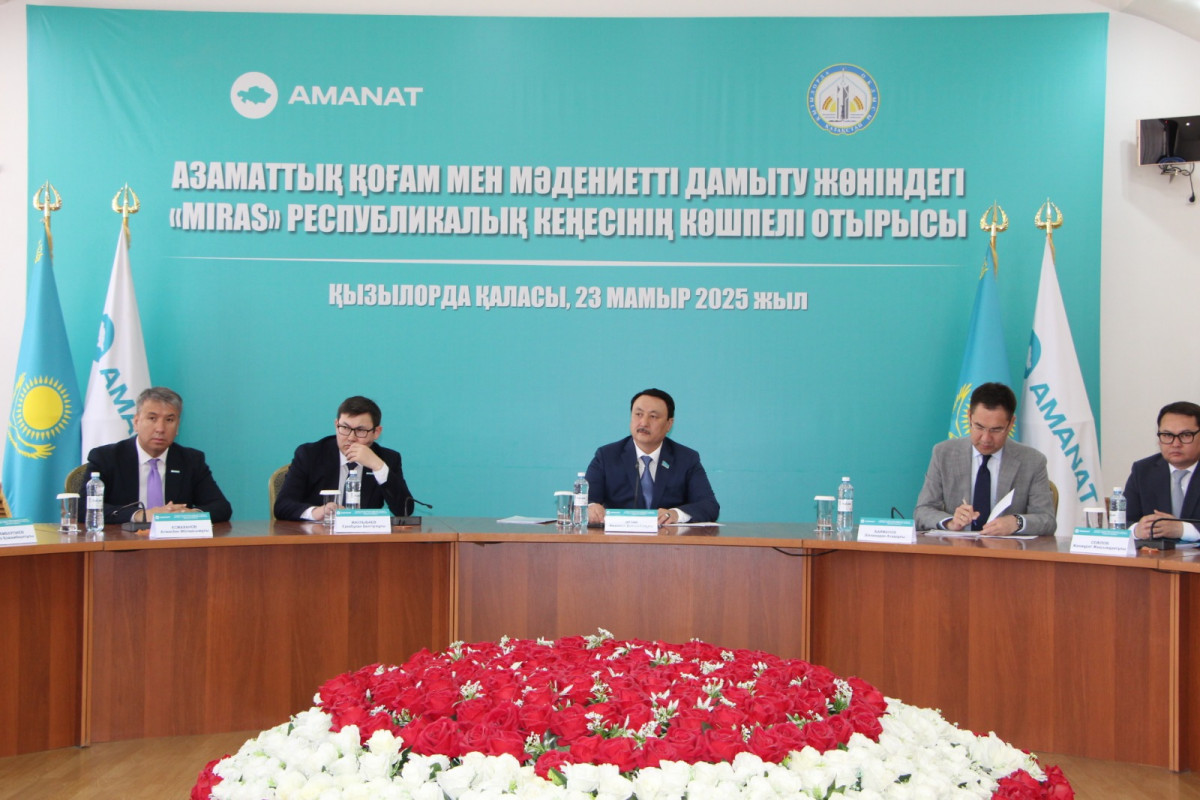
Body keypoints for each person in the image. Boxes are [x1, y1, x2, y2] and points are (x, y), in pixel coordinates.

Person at [914, 382, 1056, 536]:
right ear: (969, 417)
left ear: (1011, 424)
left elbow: (1047, 520)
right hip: (957, 547)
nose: (986, 438)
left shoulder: (1033, 461)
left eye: (996, 430)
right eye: (979, 427)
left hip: (1006, 549)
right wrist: (950, 522)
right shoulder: (944, 454)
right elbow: (922, 511)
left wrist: (1017, 522)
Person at [83, 386, 232, 524]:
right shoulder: (107, 457)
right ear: (136, 422)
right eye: (152, 418)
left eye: (169, 420)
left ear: (177, 426)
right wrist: (140, 515)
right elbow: (83, 507)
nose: (160, 428)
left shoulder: (191, 460)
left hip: (174, 542)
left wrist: (189, 514)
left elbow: (221, 507)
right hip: (122, 541)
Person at [585, 388, 719, 526]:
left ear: (669, 424)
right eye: (638, 414)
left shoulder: (686, 459)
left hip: (668, 538)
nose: (643, 422)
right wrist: (591, 507)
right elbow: (585, 501)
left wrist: (675, 514)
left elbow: (709, 506)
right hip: (619, 537)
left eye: (653, 416)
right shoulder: (607, 456)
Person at [274, 395, 414, 522]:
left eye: (360, 430)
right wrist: (317, 512)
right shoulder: (310, 455)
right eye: (345, 428)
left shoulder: (387, 459)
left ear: (376, 432)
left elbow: (405, 511)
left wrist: (378, 467)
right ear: (336, 425)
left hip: (364, 538)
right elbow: (282, 506)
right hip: (317, 537)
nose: (351, 438)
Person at [1124, 401, 1200, 541]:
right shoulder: (1143, 470)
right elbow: (1123, 522)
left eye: (1185, 435)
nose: (1175, 444)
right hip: (1156, 554)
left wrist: (1183, 529)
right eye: (1167, 435)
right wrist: (1136, 530)